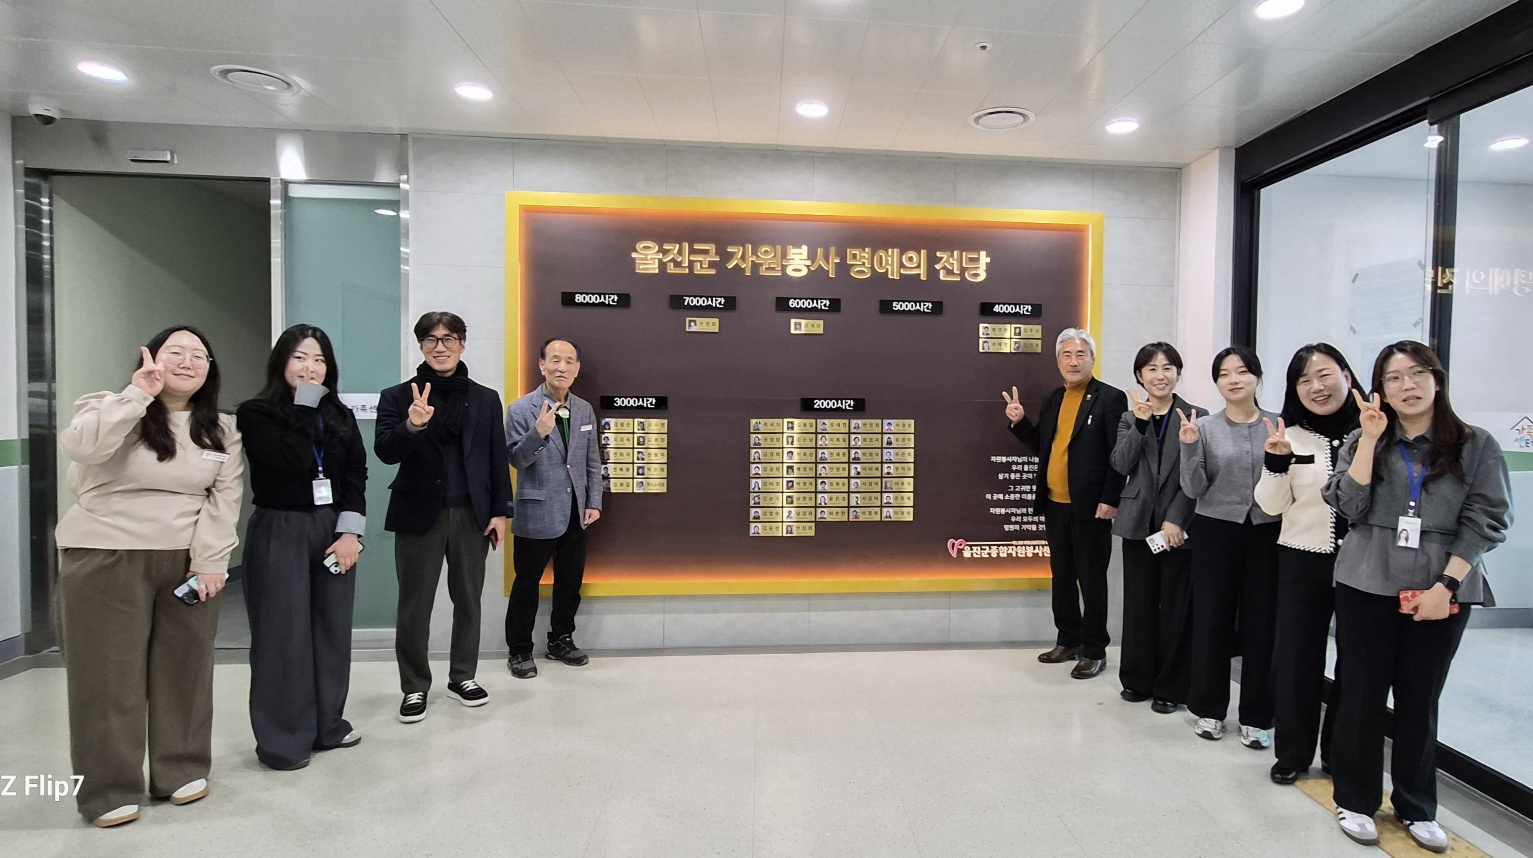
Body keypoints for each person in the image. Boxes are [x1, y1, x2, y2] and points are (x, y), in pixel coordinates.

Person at [1322, 341, 1511, 852]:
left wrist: (1446, 586)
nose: (1407, 386)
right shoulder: (1363, 439)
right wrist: (1368, 441)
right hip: (1366, 579)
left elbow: (1487, 519)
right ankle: (1355, 799)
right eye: (1393, 378)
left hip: (1442, 582)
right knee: (1360, 694)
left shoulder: (1476, 444)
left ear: (1437, 379)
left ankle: (1416, 805)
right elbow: (1347, 505)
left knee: (1420, 698)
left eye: (1416, 374)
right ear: (1380, 390)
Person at [55, 327, 243, 826]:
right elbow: (81, 448)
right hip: (105, 554)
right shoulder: (108, 405)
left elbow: (224, 499)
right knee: (106, 676)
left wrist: (211, 561)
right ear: (151, 359)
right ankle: (107, 789)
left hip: (185, 562)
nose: (187, 361)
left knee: (185, 668)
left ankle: (180, 768)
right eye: (175, 352)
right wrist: (138, 395)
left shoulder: (222, 428)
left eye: (199, 355)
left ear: (210, 370)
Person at [237, 325, 368, 771]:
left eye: (319, 360)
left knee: (331, 629)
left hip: (333, 529)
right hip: (281, 527)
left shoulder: (340, 415)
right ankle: (284, 740)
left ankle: (327, 725)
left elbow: (356, 474)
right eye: (299, 358)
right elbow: (291, 459)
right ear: (281, 362)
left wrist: (350, 533)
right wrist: (304, 405)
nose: (310, 368)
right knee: (282, 634)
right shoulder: (256, 413)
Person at [376, 312, 512, 723]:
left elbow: (496, 457)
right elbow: (385, 451)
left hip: (472, 514)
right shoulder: (398, 396)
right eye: (431, 339)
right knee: (414, 606)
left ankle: (463, 676)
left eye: (449, 338)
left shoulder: (485, 398)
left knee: (468, 599)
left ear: (462, 344)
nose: (440, 347)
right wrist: (412, 425)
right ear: (420, 346)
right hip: (418, 513)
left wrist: (500, 512)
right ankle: (414, 686)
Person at [1253, 343, 1362, 785]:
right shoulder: (1290, 435)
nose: (1316, 387)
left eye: (1325, 375)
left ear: (1347, 377)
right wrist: (1276, 464)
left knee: (1356, 662)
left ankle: (1341, 752)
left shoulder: (1374, 433)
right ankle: (1293, 753)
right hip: (1303, 557)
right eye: (1304, 380)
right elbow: (1269, 505)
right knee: (1298, 657)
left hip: (1363, 564)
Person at [1005, 327, 1128, 679]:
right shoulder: (1052, 399)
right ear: (1058, 360)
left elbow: (1118, 455)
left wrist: (1110, 498)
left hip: (1091, 507)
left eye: (1080, 355)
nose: (1073, 362)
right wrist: (1019, 422)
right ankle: (1068, 640)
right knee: (1062, 577)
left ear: (1092, 359)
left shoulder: (1110, 398)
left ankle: (1094, 650)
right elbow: (1044, 447)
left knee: (1092, 580)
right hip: (1055, 504)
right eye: (1066, 355)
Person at [1179, 346, 1281, 748]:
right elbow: (1193, 489)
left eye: (1241, 372)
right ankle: (1209, 708)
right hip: (1215, 531)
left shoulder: (1278, 424)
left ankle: (1257, 716)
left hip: (1267, 532)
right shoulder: (1204, 427)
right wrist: (1189, 446)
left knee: (1263, 623)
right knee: (1211, 619)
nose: (1233, 380)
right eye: (1224, 374)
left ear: (1257, 377)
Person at [1108, 342, 1204, 713]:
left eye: (1167, 368)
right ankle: (1137, 680)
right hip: (1137, 523)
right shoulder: (1130, 416)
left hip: (1179, 528)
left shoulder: (1197, 416)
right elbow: (1121, 464)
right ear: (1139, 376)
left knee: (1176, 609)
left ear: (1177, 373)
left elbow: (1197, 476)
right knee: (1139, 605)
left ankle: (1171, 687)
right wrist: (1141, 422)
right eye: (1151, 368)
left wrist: (1177, 517)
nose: (1159, 375)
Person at [505, 337, 604, 678]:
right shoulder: (521, 409)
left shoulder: (584, 409)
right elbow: (516, 460)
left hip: (576, 511)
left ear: (577, 369)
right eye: (555, 360)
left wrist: (594, 501)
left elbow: (592, 460)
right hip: (537, 510)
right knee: (526, 584)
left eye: (569, 361)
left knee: (570, 582)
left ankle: (561, 639)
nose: (562, 367)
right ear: (542, 365)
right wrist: (538, 433)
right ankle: (519, 650)